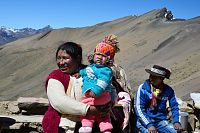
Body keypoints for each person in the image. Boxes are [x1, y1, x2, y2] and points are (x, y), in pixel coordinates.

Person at [42, 42, 113, 133]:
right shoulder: (55, 76)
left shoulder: (92, 71)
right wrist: (88, 110)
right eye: (59, 58)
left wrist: (109, 104)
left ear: (78, 58)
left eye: (65, 58)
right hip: (64, 126)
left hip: (93, 125)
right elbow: (59, 102)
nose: (61, 62)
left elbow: (109, 87)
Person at [78, 42, 116, 133]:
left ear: (108, 60)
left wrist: (96, 91)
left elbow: (103, 81)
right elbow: (85, 72)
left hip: (99, 96)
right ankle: (90, 127)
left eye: (103, 56)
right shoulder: (91, 67)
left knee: (102, 115)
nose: (99, 57)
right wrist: (79, 73)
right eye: (98, 54)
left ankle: (102, 129)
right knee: (95, 114)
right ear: (94, 55)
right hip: (93, 98)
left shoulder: (105, 70)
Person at [135, 65, 182, 133]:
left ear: (161, 79)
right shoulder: (143, 89)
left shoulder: (168, 91)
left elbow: (175, 107)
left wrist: (177, 122)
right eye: (150, 75)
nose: (151, 78)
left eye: (154, 77)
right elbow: (139, 108)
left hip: (160, 121)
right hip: (145, 122)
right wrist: (149, 125)